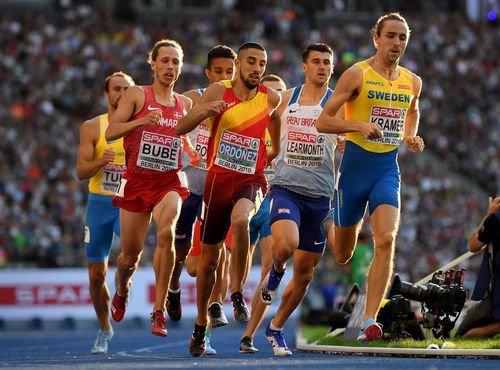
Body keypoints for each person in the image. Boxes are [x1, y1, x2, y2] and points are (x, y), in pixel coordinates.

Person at [316, 12, 425, 343]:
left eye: (402, 37)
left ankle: (369, 320)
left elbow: (413, 109)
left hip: (386, 170)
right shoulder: (356, 74)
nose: (396, 42)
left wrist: (410, 136)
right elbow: (323, 122)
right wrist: (358, 126)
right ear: (376, 38)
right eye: (390, 35)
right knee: (342, 254)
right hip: (352, 173)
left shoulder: (412, 81)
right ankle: (336, 222)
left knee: (386, 239)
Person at [177, 42, 282, 357]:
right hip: (217, 181)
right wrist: (204, 112)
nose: (257, 68)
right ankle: (199, 324)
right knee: (208, 262)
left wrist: (272, 150)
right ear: (238, 63)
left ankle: (236, 293)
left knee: (241, 220)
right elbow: (181, 128)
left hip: (251, 179)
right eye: (251, 61)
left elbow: (275, 120)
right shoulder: (218, 93)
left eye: (261, 64)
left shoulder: (270, 98)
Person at [105, 39, 194, 338]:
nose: (170, 67)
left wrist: (193, 152)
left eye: (176, 62)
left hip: (168, 180)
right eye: (165, 61)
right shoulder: (135, 94)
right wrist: (142, 120)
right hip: (136, 181)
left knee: (167, 232)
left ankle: (158, 310)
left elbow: (181, 139)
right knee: (129, 258)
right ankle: (122, 289)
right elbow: (111, 131)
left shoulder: (185, 104)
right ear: (153, 64)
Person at [259, 43, 338, 356]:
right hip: (286, 188)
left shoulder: (338, 103)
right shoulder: (287, 98)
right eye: (316, 62)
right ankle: (276, 269)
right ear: (305, 66)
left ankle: (275, 328)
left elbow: (346, 135)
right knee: (286, 244)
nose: (321, 67)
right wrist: (275, 149)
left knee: (305, 274)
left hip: (320, 197)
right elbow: (269, 121)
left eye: (327, 63)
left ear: (332, 69)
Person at [168, 44, 237, 355]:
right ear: (208, 74)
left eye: (229, 72)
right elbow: (176, 128)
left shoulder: (242, 104)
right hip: (190, 188)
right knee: (184, 260)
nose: (224, 78)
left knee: (212, 259)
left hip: (217, 190)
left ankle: (205, 329)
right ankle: (172, 286)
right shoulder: (193, 98)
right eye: (218, 72)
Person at [76, 71, 134, 354]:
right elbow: (80, 172)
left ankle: (122, 289)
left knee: (130, 257)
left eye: (127, 89)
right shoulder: (92, 127)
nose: (122, 94)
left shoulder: (138, 127)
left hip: (127, 201)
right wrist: (101, 161)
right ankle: (104, 328)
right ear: (107, 94)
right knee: (96, 276)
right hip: (100, 203)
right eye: (117, 89)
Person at [239, 74, 287, 354]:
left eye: (282, 93)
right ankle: (211, 324)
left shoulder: (292, 124)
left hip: (274, 201)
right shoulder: (250, 121)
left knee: (270, 267)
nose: (278, 98)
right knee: (233, 270)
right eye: (273, 93)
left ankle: (249, 335)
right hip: (245, 197)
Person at [455, 196, 500, 338]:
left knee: (463, 335)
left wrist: (489, 214)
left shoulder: (496, 219)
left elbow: (473, 246)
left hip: (498, 294)